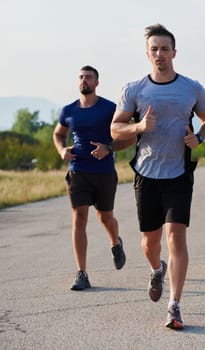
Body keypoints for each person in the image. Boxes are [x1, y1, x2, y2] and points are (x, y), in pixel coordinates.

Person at [110, 24, 205, 330]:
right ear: (147, 53)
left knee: (175, 236)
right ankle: (156, 269)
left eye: (164, 48)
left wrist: (199, 137)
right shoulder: (134, 90)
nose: (159, 54)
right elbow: (115, 130)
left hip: (179, 174)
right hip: (146, 174)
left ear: (174, 52)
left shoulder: (191, 88)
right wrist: (139, 128)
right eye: (154, 49)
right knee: (149, 243)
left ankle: (174, 305)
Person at [53, 65, 135, 291]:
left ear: (97, 82)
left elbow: (130, 137)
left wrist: (109, 147)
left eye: (89, 77)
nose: (84, 81)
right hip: (78, 170)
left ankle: (116, 243)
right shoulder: (69, 110)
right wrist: (61, 150)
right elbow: (58, 134)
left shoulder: (110, 108)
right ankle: (82, 273)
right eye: (81, 77)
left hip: (104, 172)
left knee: (105, 217)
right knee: (79, 218)